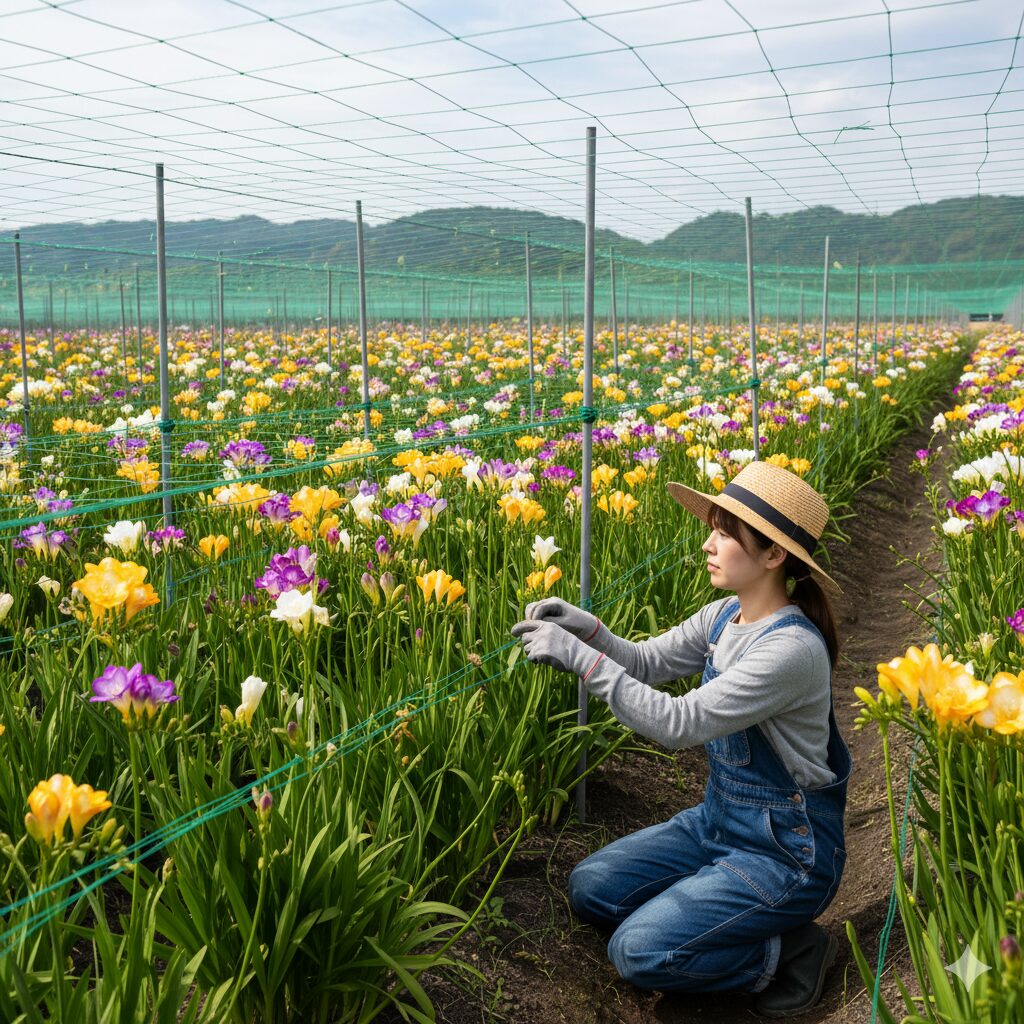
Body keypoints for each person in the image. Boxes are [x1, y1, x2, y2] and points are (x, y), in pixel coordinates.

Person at [510, 460, 851, 1019]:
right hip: (718, 823)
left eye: (725, 534)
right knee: (592, 886)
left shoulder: (791, 650)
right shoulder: (724, 617)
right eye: (712, 528)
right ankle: (710, 906)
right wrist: (587, 629)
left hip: (786, 852)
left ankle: (790, 950)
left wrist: (581, 660)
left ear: (774, 555)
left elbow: (678, 723)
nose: (708, 545)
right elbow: (646, 662)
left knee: (639, 951)